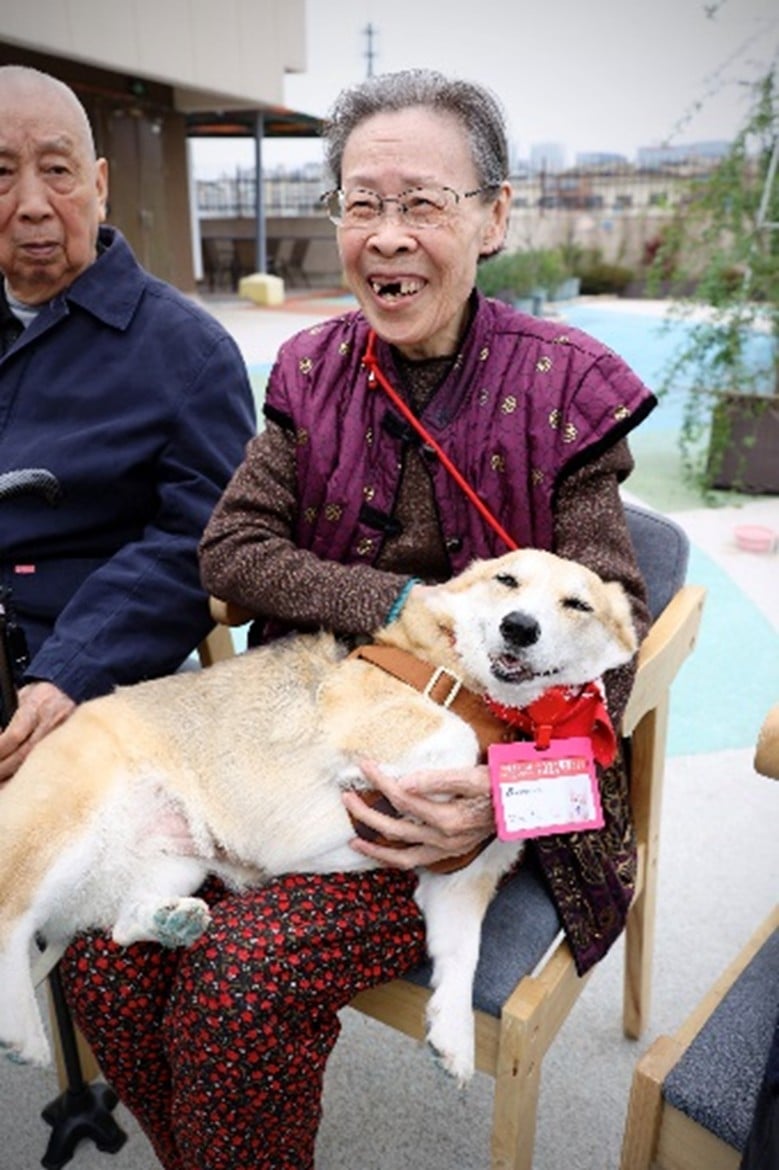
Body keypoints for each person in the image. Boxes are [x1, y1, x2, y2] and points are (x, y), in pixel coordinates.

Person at [60, 69, 656, 1169]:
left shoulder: (567, 388)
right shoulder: (307, 368)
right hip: (292, 750)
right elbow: (229, 550)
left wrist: (498, 802)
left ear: (494, 216)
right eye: (360, 204)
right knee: (100, 951)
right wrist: (396, 605)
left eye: (422, 203)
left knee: (237, 980)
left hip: (456, 798)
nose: (387, 237)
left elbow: (608, 655)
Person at [0, 64, 256, 781]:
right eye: (1, 174)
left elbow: (198, 543)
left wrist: (64, 679)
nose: (32, 205)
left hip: (74, 681)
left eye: (58, 171)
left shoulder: (188, 353)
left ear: (100, 183)